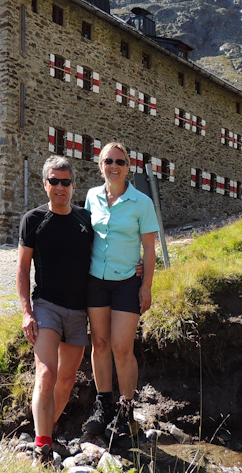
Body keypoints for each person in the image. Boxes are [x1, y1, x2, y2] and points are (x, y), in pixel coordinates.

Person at [17, 155, 92, 464]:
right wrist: (27, 311)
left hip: (80, 310)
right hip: (47, 305)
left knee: (67, 378)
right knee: (46, 373)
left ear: (73, 186)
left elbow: (108, 253)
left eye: (66, 182)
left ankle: (49, 426)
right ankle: (43, 445)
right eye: (54, 182)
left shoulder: (85, 219)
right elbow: (22, 269)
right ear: (44, 184)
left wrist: (137, 267)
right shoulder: (33, 220)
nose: (60, 188)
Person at [82, 142, 159, 440]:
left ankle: (126, 409)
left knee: (121, 348)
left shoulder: (142, 203)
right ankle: (103, 405)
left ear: (129, 167)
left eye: (120, 161)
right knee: (99, 344)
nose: (114, 166)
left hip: (127, 282)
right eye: (108, 161)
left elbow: (149, 249)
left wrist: (146, 286)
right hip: (95, 281)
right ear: (100, 165)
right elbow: (85, 237)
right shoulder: (91, 196)